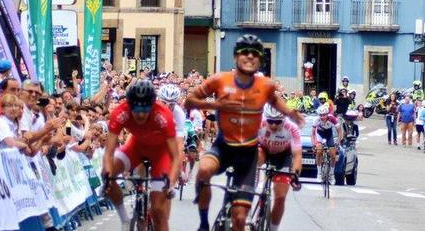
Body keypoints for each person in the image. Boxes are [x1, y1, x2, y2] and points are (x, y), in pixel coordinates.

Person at [185, 34, 303, 231]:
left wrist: (290, 113)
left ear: (260, 60)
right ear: (235, 57)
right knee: (204, 170)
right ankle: (204, 222)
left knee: (240, 219)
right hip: (223, 146)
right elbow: (189, 101)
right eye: (244, 53)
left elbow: (274, 101)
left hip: (247, 154)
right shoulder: (219, 79)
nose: (249, 57)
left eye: (255, 54)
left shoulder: (265, 85)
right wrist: (215, 104)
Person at [103, 80, 180, 231]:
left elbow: (176, 157)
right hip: (135, 147)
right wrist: (107, 175)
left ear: (152, 105)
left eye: (145, 109)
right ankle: (125, 220)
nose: (140, 114)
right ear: (129, 105)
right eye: (136, 109)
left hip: (161, 153)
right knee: (107, 174)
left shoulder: (164, 116)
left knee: (158, 209)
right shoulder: (120, 113)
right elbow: (109, 152)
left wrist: (171, 182)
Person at [257, 106, 302, 231]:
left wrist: (295, 175)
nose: (273, 125)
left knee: (280, 197)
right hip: (263, 150)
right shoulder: (258, 123)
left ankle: (273, 228)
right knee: (255, 156)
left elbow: (297, 155)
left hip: (283, 157)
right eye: (270, 121)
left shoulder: (292, 128)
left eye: (278, 122)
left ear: (284, 119)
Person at [312, 104, 342, 182]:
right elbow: (312, 134)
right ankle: (319, 173)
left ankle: (331, 174)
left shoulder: (332, 119)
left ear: (327, 114)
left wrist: (338, 142)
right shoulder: (316, 120)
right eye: (320, 115)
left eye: (324, 115)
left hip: (329, 134)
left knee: (332, 154)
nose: (322, 117)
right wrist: (314, 144)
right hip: (320, 134)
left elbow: (340, 132)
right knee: (319, 151)